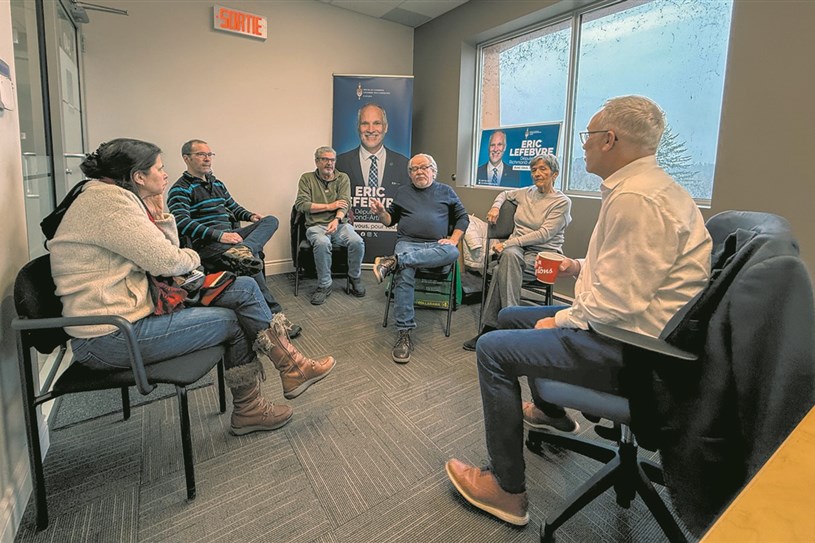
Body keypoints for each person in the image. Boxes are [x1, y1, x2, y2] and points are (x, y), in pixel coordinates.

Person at [445, 96, 713, 526]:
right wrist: (577, 266)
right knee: (512, 318)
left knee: (493, 351)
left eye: (589, 135)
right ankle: (551, 413)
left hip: (632, 351)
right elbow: (632, 269)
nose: (583, 144)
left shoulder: (637, 200)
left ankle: (506, 490)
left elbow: (615, 306)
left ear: (610, 139)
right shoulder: (648, 190)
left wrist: (559, 319)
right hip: (635, 333)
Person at [49, 139, 336, 436]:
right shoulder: (110, 204)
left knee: (245, 286)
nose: (165, 174)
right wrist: (192, 250)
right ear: (138, 176)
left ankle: (292, 366)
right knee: (234, 321)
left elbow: (166, 256)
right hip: (111, 336)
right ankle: (253, 405)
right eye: (160, 169)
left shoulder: (114, 197)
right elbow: (169, 261)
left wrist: (161, 218)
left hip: (135, 310)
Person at [167, 139, 300, 338]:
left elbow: (233, 207)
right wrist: (220, 235)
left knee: (270, 220)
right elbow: (181, 222)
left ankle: (244, 250)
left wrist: (251, 216)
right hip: (208, 245)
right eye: (201, 154)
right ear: (186, 158)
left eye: (209, 154)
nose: (207, 158)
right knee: (250, 260)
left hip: (232, 239)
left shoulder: (217, 183)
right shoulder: (180, 189)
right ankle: (274, 315)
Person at [463, 152, 572, 351]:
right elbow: (504, 194)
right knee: (510, 255)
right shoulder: (525, 193)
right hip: (517, 250)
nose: (537, 173)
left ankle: (490, 327)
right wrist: (495, 207)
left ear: (554, 174)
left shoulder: (561, 202)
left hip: (543, 256)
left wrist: (507, 243)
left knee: (500, 269)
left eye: (543, 169)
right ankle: (511, 324)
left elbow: (544, 234)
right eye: (534, 170)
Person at [370, 153, 469, 364]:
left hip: (436, 245)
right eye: (414, 169)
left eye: (424, 167)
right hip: (408, 243)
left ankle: (394, 261)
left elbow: (463, 217)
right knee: (405, 272)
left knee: (453, 252)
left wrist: (453, 239)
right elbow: (389, 220)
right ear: (410, 174)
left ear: (434, 171)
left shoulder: (446, 191)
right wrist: (381, 212)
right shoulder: (403, 192)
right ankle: (404, 333)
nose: (419, 172)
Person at [294, 146, 366, 305]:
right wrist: (330, 206)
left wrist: (337, 219)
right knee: (322, 243)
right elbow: (301, 205)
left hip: (339, 225)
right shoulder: (307, 179)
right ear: (317, 162)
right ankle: (324, 285)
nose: (329, 163)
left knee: (357, 241)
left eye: (332, 160)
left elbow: (345, 203)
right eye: (325, 159)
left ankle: (354, 277)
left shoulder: (343, 178)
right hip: (316, 226)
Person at [336, 103, 410, 192]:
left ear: (385, 127)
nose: (370, 130)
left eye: (376, 123)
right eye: (365, 123)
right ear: (358, 127)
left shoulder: (404, 165)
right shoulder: (339, 164)